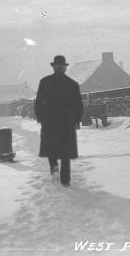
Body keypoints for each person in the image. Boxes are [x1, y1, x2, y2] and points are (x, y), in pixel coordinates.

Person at [35, 55, 84, 187]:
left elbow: (38, 102)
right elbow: (78, 105)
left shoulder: (44, 82)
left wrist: (40, 118)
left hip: (49, 122)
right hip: (66, 123)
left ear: (54, 67)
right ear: (64, 68)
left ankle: (54, 168)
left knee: (51, 148)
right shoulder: (72, 84)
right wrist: (77, 120)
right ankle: (65, 180)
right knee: (65, 152)